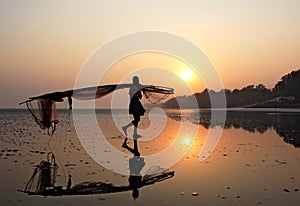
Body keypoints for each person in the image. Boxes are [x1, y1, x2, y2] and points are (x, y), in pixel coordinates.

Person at [122, 76, 145, 146]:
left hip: (137, 103)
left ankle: (135, 134)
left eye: (138, 80)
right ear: (134, 81)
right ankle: (125, 127)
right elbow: (132, 96)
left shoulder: (137, 87)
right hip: (134, 104)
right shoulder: (132, 87)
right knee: (137, 119)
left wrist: (140, 92)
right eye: (136, 80)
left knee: (137, 119)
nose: (137, 81)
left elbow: (140, 97)